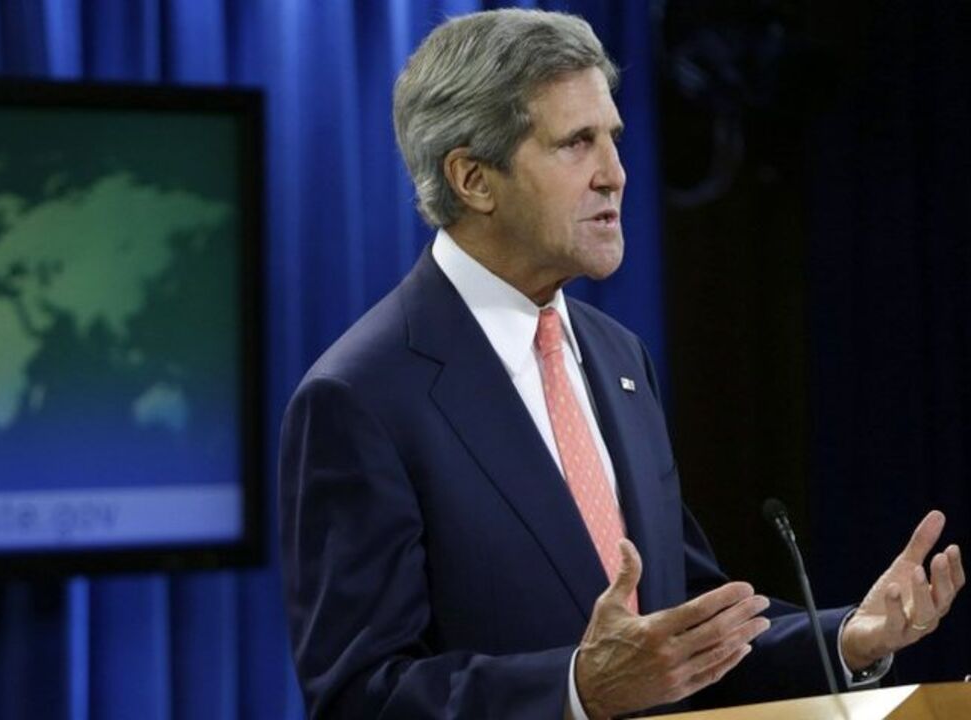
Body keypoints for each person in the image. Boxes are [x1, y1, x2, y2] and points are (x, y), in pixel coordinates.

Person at [277, 8, 965, 719]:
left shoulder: (616, 355)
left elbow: (683, 632)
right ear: (473, 179)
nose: (616, 175)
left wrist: (850, 637)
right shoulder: (361, 397)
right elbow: (358, 697)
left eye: (613, 138)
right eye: (576, 143)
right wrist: (579, 689)